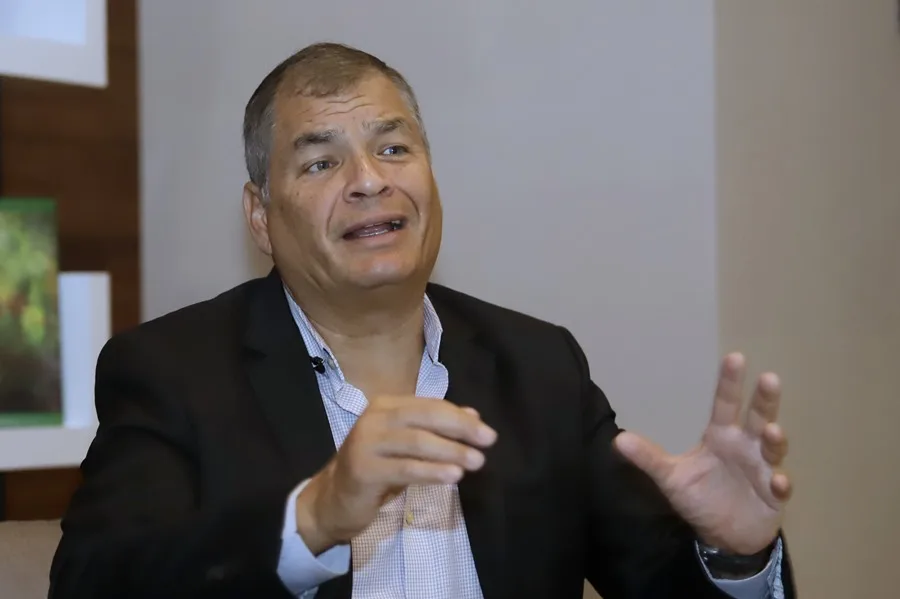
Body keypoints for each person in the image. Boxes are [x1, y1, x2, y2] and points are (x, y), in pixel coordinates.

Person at [49, 42, 797, 599]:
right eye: (321, 163)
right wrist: (311, 519)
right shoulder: (173, 371)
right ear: (260, 216)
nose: (369, 180)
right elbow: (95, 582)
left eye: (393, 148)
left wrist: (735, 557)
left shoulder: (538, 367)